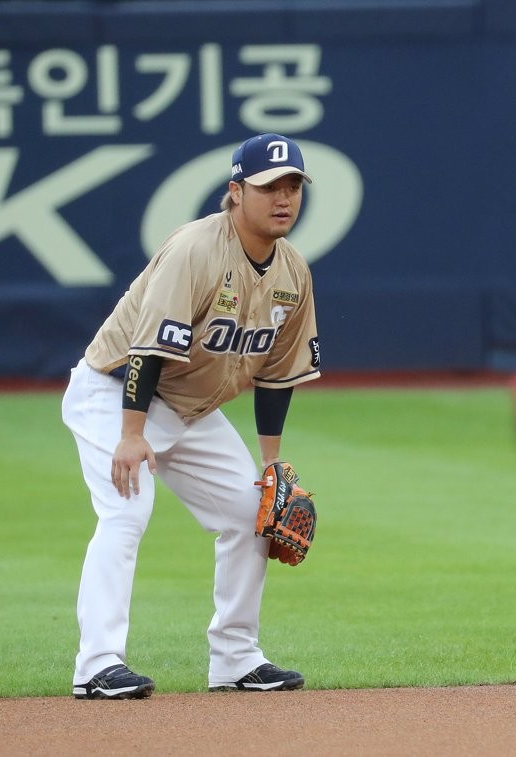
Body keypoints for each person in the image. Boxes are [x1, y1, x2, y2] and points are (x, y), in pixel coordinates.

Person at [61, 133, 322, 699]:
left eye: (293, 186)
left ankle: (235, 658)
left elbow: (278, 375)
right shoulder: (197, 250)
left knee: (253, 507)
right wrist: (131, 436)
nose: (283, 198)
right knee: (127, 511)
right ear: (235, 192)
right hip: (114, 391)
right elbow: (147, 349)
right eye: (268, 186)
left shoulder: (293, 272)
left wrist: (271, 465)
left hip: (186, 406)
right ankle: (96, 665)